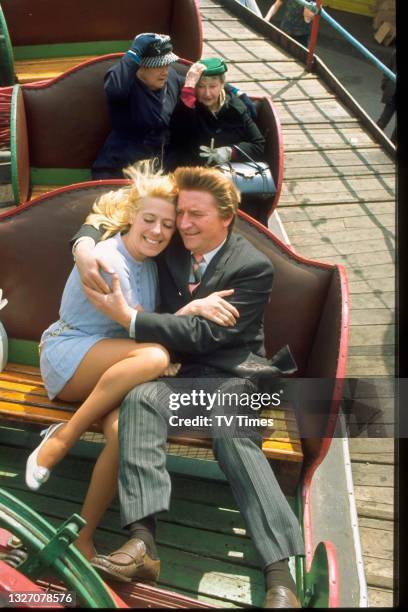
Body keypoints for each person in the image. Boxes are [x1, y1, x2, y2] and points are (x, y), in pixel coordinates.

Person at [73, 165, 304, 608]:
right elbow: (106, 214)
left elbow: (209, 337)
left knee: (228, 428)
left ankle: (280, 578)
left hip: (237, 378)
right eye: (182, 213)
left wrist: (132, 320)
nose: (183, 224)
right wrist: (83, 245)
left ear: (227, 217)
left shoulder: (251, 267)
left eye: (196, 215)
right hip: (185, 380)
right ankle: (142, 543)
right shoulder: (175, 247)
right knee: (142, 399)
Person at [26, 161, 238, 560]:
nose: (157, 231)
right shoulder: (108, 257)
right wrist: (191, 310)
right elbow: (141, 329)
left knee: (124, 430)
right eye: (149, 219)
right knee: (156, 356)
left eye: (167, 225)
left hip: (119, 366)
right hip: (71, 355)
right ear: (132, 216)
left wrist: (193, 307)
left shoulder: (151, 263)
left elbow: (140, 324)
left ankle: (83, 536)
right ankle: (65, 436)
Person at [92, 34, 257, 179]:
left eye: (167, 64)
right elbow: (114, 89)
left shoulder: (169, 78)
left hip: (159, 170)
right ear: (140, 66)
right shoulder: (125, 84)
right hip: (121, 169)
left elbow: (204, 80)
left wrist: (236, 91)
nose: (165, 71)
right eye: (158, 66)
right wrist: (134, 52)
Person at [166, 58, 265, 169]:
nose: (207, 94)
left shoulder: (237, 109)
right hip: (192, 173)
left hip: (227, 174)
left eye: (213, 86)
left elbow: (258, 145)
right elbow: (176, 137)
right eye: (201, 86)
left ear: (222, 85)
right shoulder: (189, 107)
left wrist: (230, 152)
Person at [377, 48, 396, 145]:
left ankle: (392, 145)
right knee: (383, 119)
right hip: (393, 93)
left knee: (384, 119)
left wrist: (384, 84)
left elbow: (387, 69)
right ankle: (376, 138)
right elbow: (388, 68)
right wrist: (384, 84)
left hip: (392, 91)